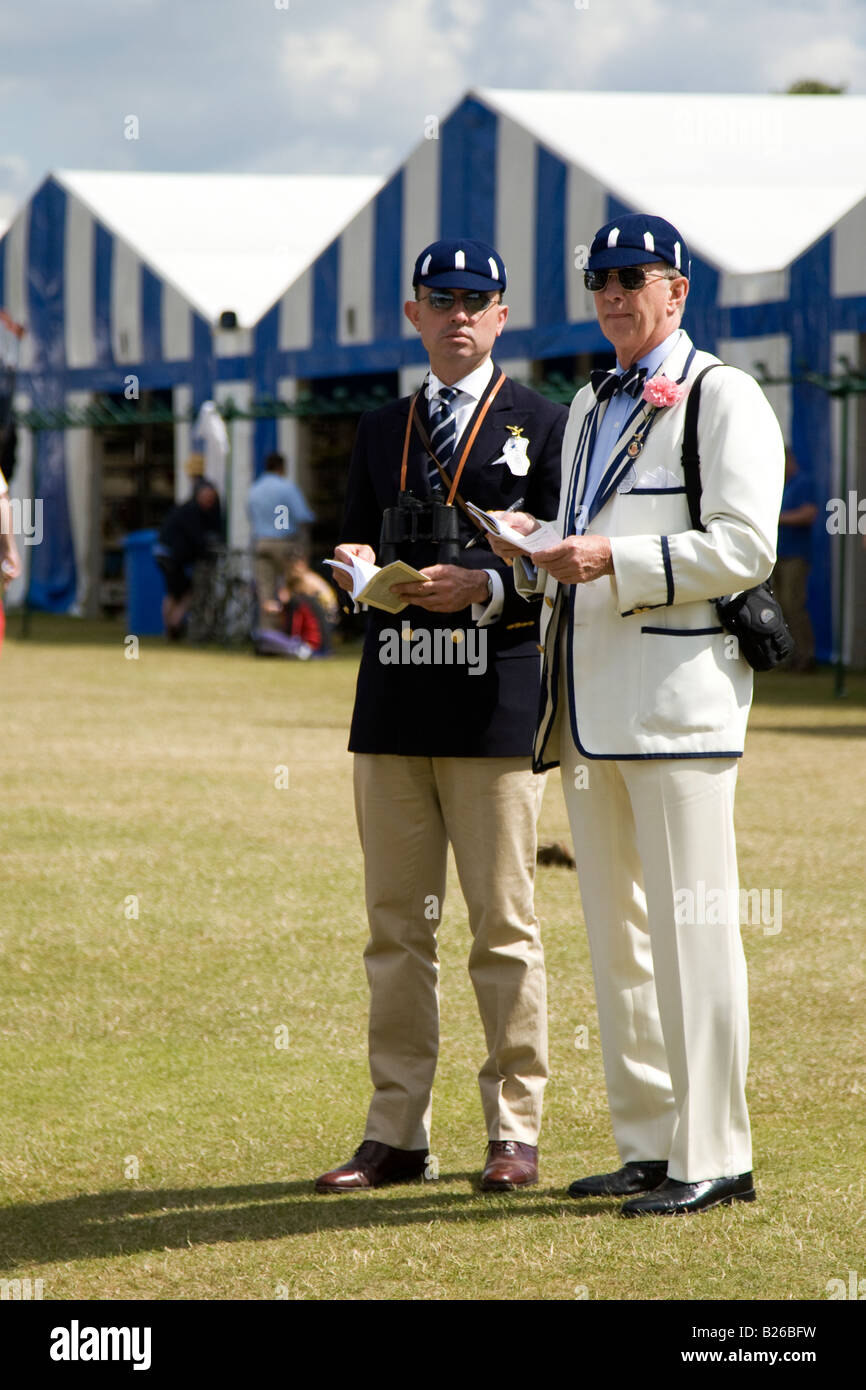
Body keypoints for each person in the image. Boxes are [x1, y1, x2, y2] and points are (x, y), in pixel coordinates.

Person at [491, 214, 784, 1215]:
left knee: (692, 932)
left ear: (677, 290)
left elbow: (744, 546)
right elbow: (585, 535)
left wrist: (614, 559)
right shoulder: (582, 405)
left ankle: (715, 1154)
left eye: (634, 276)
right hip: (583, 706)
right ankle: (649, 1141)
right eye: (599, 278)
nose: (614, 293)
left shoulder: (721, 394)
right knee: (616, 937)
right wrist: (536, 543)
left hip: (675, 707)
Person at [314, 238, 566, 1193]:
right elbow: (346, 534)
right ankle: (396, 1133)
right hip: (392, 701)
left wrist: (487, 584)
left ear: (503, 316)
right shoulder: (382, 426)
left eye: (479, 299)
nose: (460, 313)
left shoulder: (545, 424)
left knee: (503, 927)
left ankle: (514, 1131)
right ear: (412, 314)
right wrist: (352, 568)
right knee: (395, 930)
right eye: (441, 298)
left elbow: (561, 562)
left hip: (495, 704)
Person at [247, 452, 315, 625]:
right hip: (285, 542)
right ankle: (292, 630)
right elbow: (303, 516)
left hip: (261, 542)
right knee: (291, 589)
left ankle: (268, 635)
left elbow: (250, 516)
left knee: (266, 592)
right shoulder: (287, 487)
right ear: (282, 467)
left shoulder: (254, 489)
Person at [153, 482, 220, 638]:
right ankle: (174, 624)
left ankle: (170, 627)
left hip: (165, 554)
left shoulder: (188, 510)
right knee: (185, 592)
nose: (209, 502)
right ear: (198, 496)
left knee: (174, 592)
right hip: (171, 557)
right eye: (207, 498)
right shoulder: (191, 512)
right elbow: (196, 538)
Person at [773, 446, 817, 672]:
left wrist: (777, 518)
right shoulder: (782, 485)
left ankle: (806, 656)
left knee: (793, 604)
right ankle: (788, 655)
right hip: (778, 554)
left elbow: (809, 513)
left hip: (796, 556)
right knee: (780, 606)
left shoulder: (803, 482)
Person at [253, 555, 338, 659]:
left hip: (309, 646)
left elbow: (293, 630)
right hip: (325, 631)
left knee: (262, 636)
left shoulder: (304, 591)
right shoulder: (306, 597)